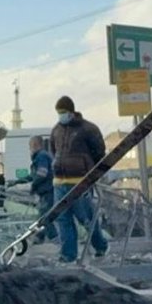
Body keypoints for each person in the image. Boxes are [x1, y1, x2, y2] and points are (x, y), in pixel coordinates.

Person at [50, 95, 108, 263]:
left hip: (80, 182)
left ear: (71, 111)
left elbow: (99, 153)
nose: (61, 115)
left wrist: (92, 173)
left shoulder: (88, 129)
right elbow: (54, 152)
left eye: (63, 112)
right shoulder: (56, 130)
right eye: (59, 112)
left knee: (86, 218)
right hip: (60, 182)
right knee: (63, 218)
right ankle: (68, 254)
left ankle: (101, 246)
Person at [29, 136, 57, 242]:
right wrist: (19, 181)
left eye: (30, 146)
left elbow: (42, 173)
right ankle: (40, 236)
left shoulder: (41, 156)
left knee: (45, 216)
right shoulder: (42, 156)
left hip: (47, 190)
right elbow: (34, 175)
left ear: (35, 145)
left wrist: (33, 186)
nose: (30, 149)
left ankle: (54, 237)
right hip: (46, 190)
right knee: (42, 215)